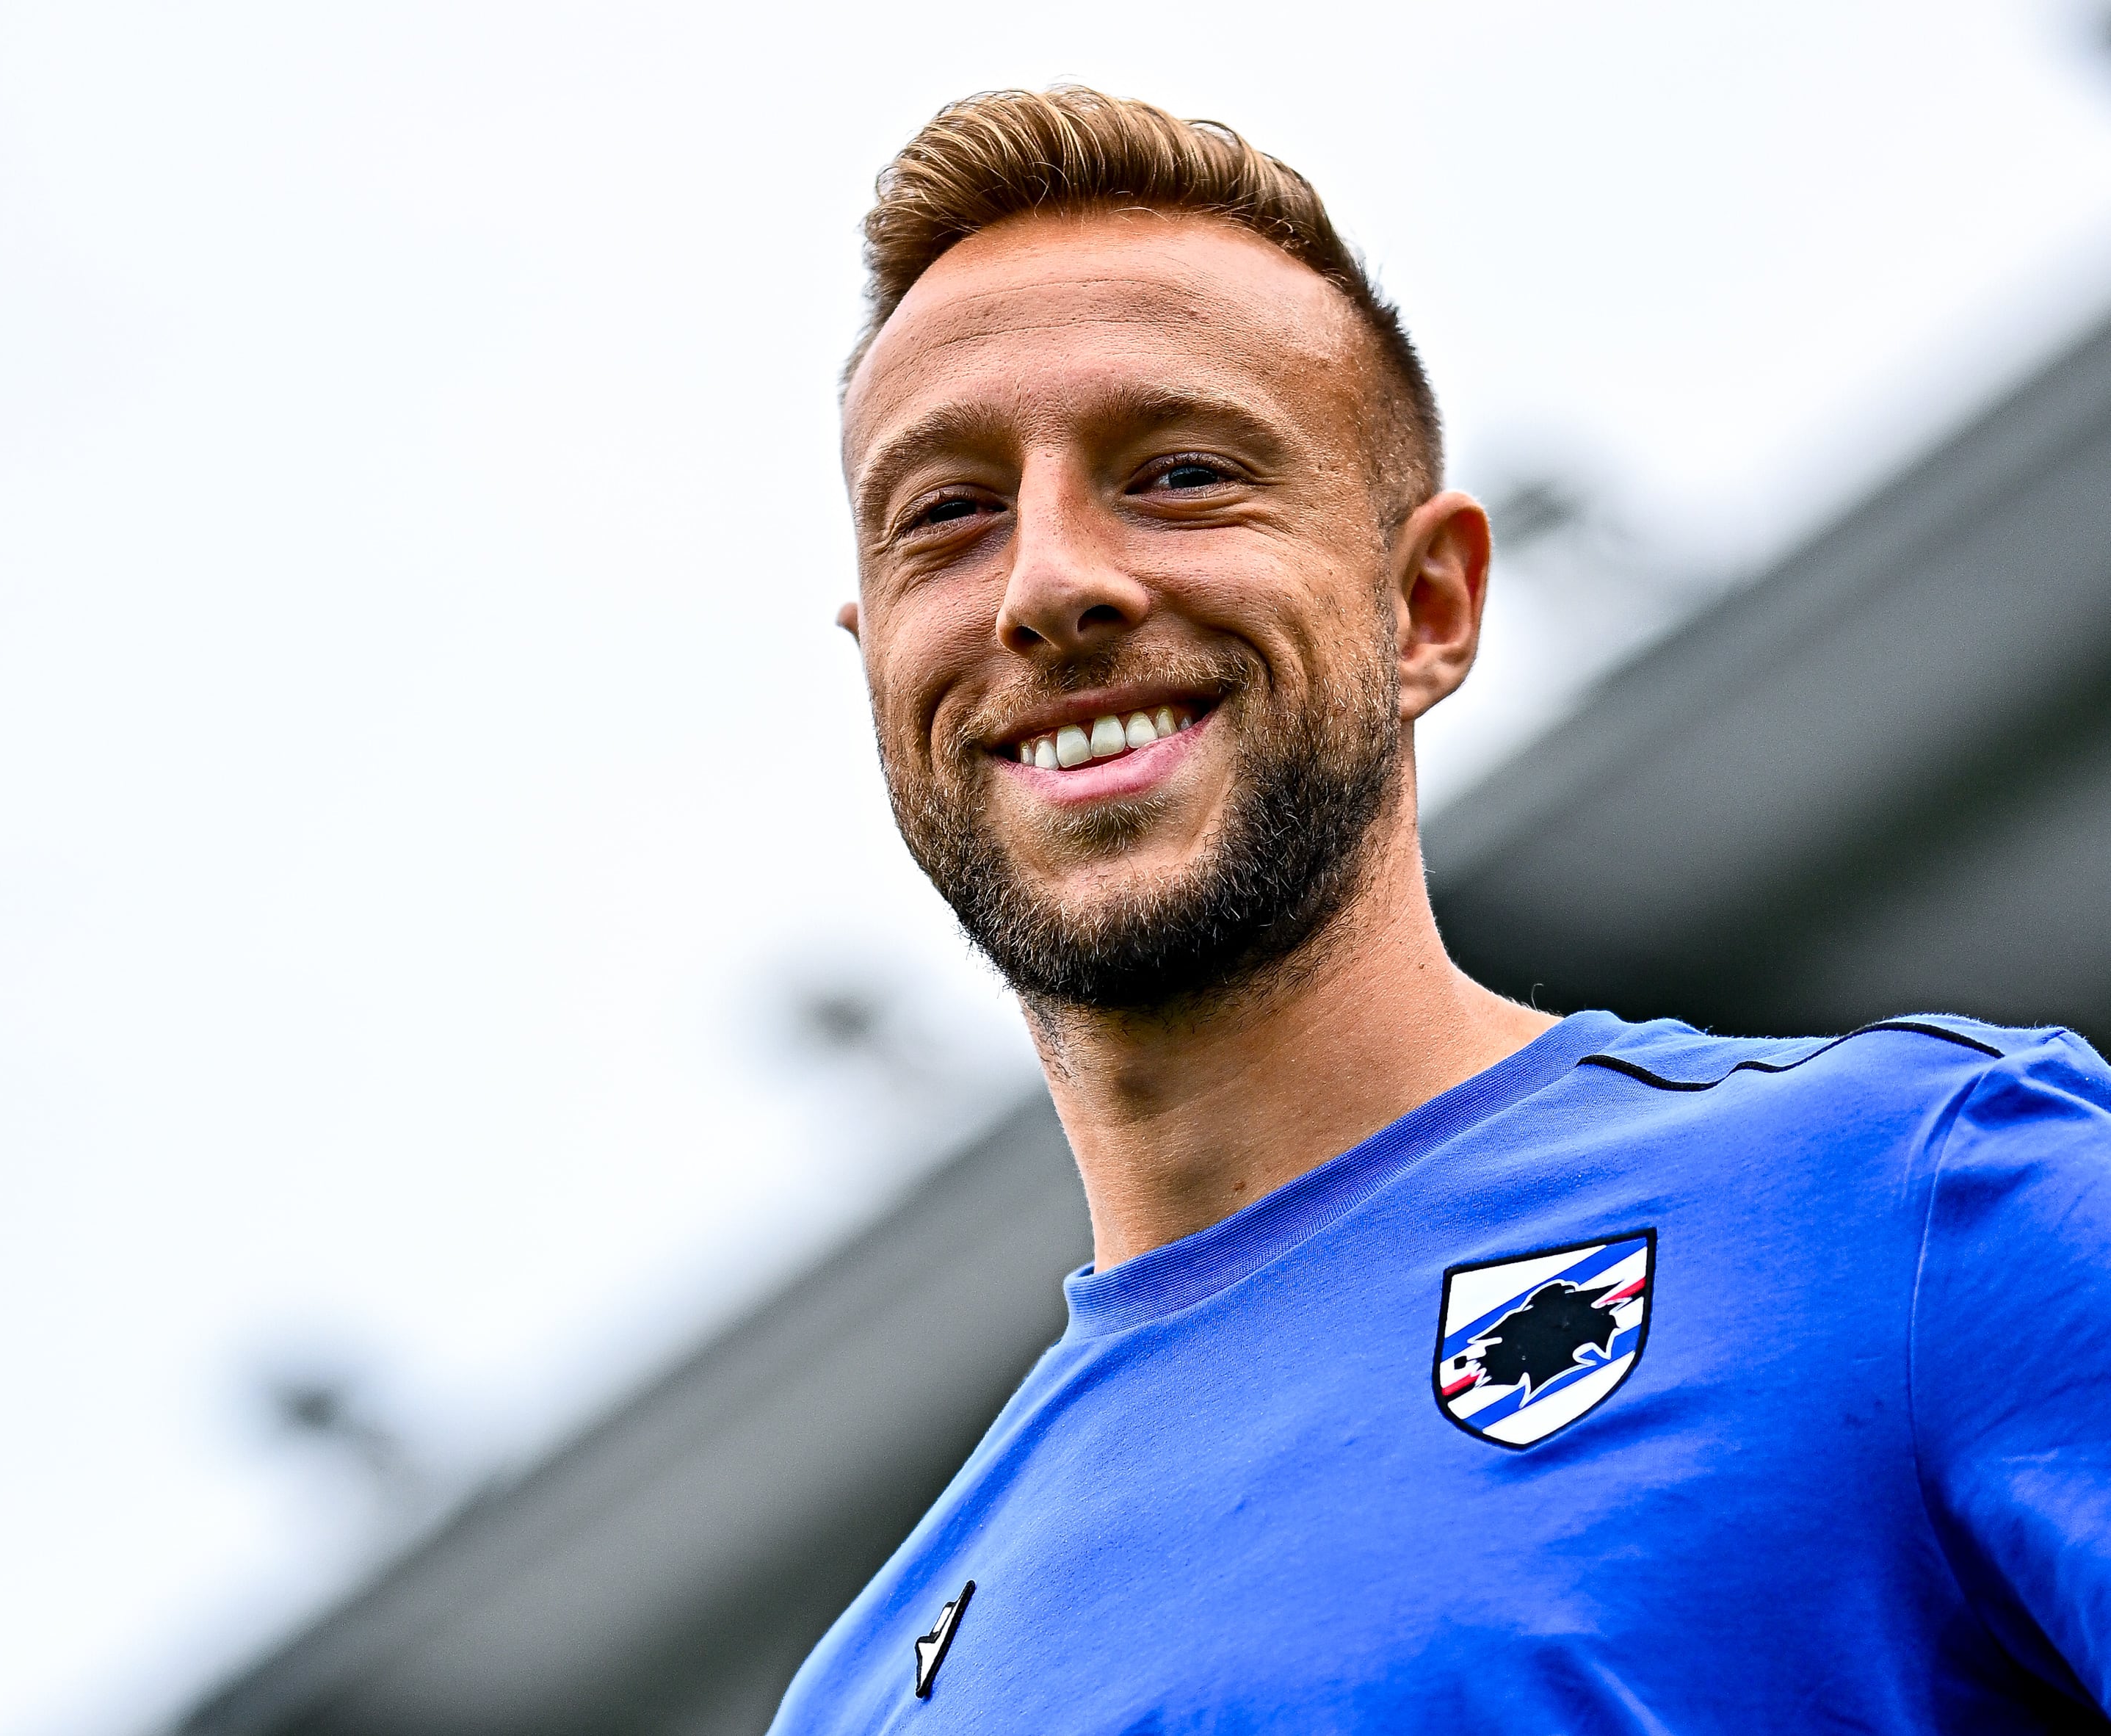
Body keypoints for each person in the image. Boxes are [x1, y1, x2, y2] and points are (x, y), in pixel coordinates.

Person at [770, 85, 2111, 1732]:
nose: (1048, 582)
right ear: (877, 660)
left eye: (1179, 472)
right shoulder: (866, 1694)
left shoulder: (1917, 1194)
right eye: (948, 515)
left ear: (1426, 605)